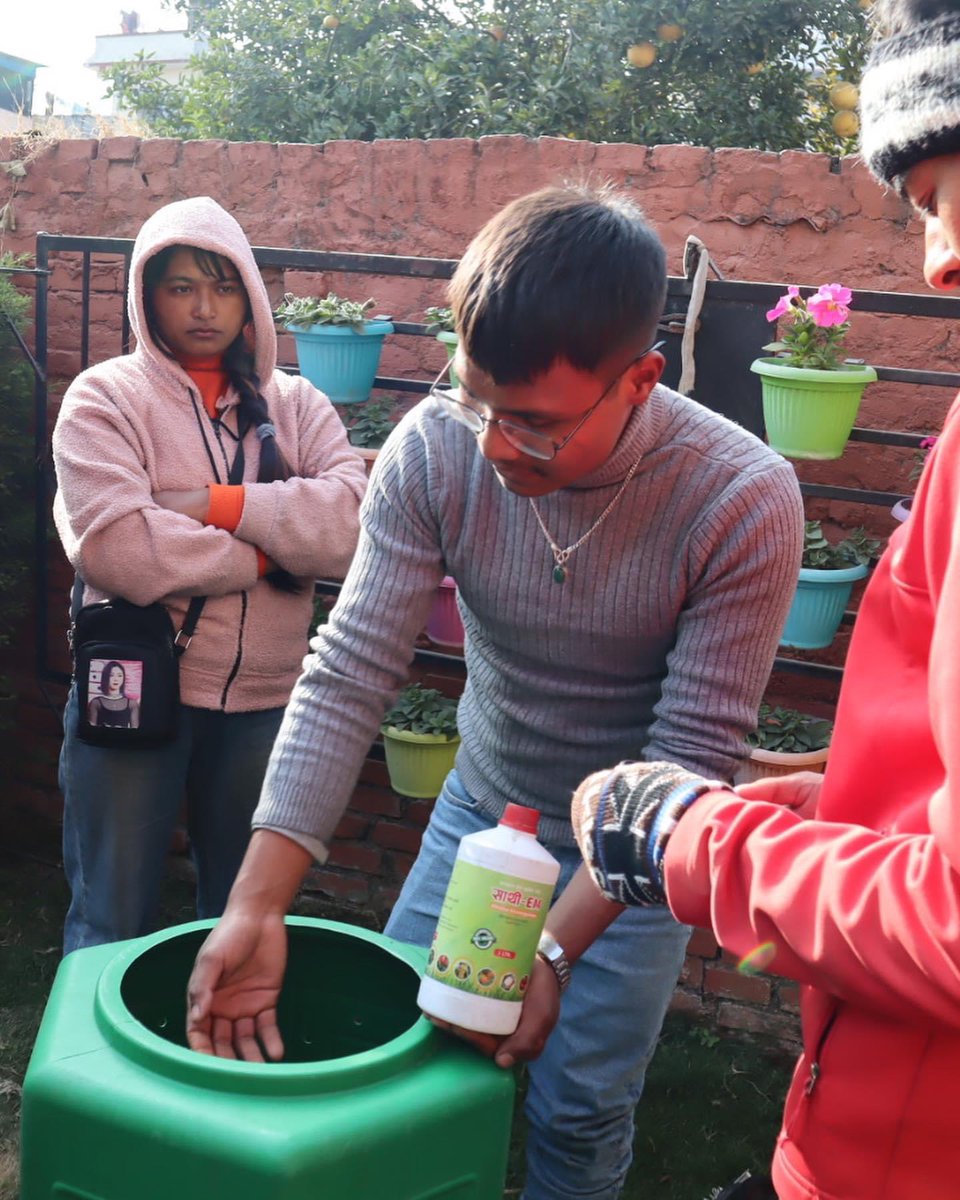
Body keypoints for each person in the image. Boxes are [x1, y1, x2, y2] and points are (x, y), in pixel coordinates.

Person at [185, 183, 804, 1200]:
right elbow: (348, 673)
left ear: (641, 380)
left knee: (579, 1105)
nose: (496, 447)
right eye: (479, 401)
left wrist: (553, 957)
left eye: (536, 424)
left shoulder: (738, 497)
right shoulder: (436, 448)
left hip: (641, 859)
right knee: (404, 1065)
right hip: (484, 814)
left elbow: (683, 765)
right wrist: (257, 903)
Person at [562, 4, 960, 1197]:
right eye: (927, 207)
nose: (941, 256)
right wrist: (840, 803)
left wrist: (699, 840)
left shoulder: (739, 490)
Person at [53, 195, 367, 955]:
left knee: (239, 919)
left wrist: (211, 503)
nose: (204, 307)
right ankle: (84, 1073)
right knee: (110, 917)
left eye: (224, 287)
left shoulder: (297, 404)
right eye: (182, 285)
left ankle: (212, 1063)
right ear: (147, 293)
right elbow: (120, 548)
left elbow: (353, 528)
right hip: (138, 688)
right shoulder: (106, 398)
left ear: (251, 296)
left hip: (264, 705)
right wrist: (270, 552)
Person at [86, 660, 140, 729]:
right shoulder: (96, 703)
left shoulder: (132, 704)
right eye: (111, 675)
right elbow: (91, 731)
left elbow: (135, 733)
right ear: (106, 677)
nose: (116, 679)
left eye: (119, 675)